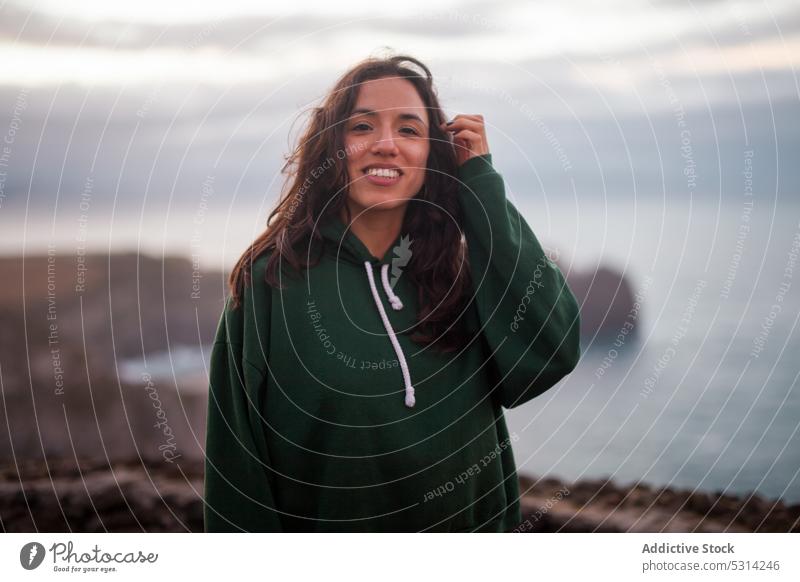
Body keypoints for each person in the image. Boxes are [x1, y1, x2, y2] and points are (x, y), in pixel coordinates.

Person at [203, 53, 581, 532]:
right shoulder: (269, 283)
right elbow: (236, 470)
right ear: (333, 147)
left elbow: (553, 350)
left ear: (433, 154)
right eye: (362, 127)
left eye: (408, 129)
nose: (385, 144)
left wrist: (481, 182)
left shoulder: (459, 275)